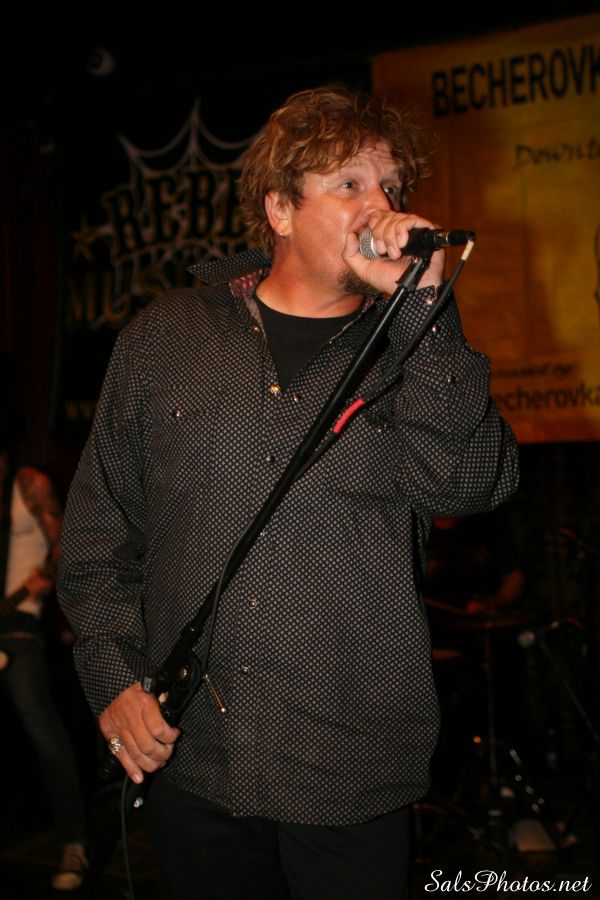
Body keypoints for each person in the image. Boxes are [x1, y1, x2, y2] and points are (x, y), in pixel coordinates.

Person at [58, 85, 519, 899]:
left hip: (349, 769)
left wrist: (426, 312)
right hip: (196, 759)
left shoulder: (412, 350)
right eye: (350, 184)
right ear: (279, 208)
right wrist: (112, 677)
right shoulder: (167, 338)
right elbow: (98, 533)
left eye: (391, 187)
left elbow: (471, 484)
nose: (381, 207)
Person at [0, 441, 87, 891]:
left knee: (40, 722)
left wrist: (46, 575)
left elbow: (64, 544)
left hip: (17, 623)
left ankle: (74, 843)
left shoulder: (27, 486)